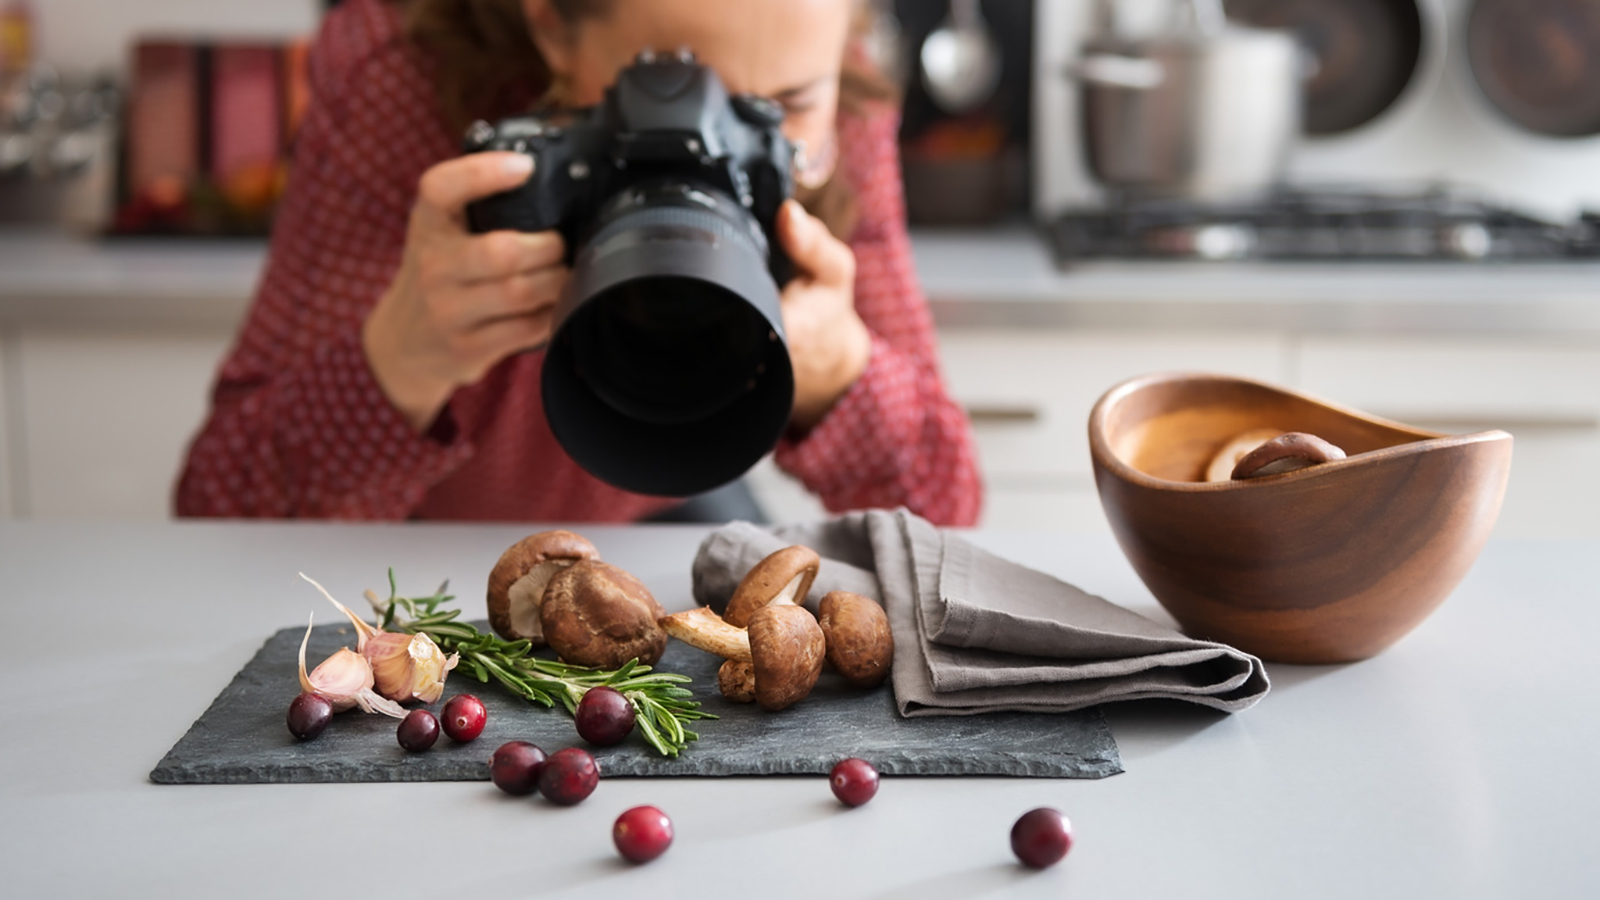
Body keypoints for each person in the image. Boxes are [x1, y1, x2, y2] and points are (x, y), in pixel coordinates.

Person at [175, 0, 982, 525]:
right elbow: (221, 510)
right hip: (412, 540)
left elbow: (947, 508)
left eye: (782, 108)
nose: (713, 146)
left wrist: (843, 374)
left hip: (661, 501)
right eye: (667, 92)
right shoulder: (400, 72)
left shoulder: (838, 102)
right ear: (550, 22)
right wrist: (399, 358)